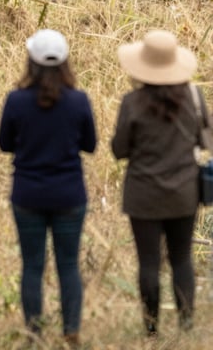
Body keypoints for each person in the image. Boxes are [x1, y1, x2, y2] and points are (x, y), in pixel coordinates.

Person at [0, 29, 97, 347]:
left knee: (32, 266)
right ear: (66, 62)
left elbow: (4, 144)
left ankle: (34, 332)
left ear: (31, 61)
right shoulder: (78, 100)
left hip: (28, 193)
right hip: (69, 193)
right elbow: (90, 145)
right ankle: (71, 330)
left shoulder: (16, 100)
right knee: (68, 265)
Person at [112, 29, 206, 336]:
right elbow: (207, 139)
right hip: (184, 192)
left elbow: (119, 149)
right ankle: (187, 324)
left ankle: (151, 329)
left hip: (143, 194)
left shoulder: (132, 102)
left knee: (149, 262)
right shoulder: (194, 97)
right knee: (181, 259)